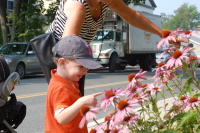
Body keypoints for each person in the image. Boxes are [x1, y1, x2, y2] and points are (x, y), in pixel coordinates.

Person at [44, 0, 184, 96]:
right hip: (59, 56)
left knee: (76, 103)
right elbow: (65, 48)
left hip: (76, 56)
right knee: (66, 102)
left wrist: (164, 34)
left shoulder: (105, 1)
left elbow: (132, 16)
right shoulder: (78, 6)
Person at [44, 35, 102, 133]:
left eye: (86, 67)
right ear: (62, 63)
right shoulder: (60, 87)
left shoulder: (68, 80)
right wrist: (81, 102)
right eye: (80, 66)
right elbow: (61, 118)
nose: (85, 71)